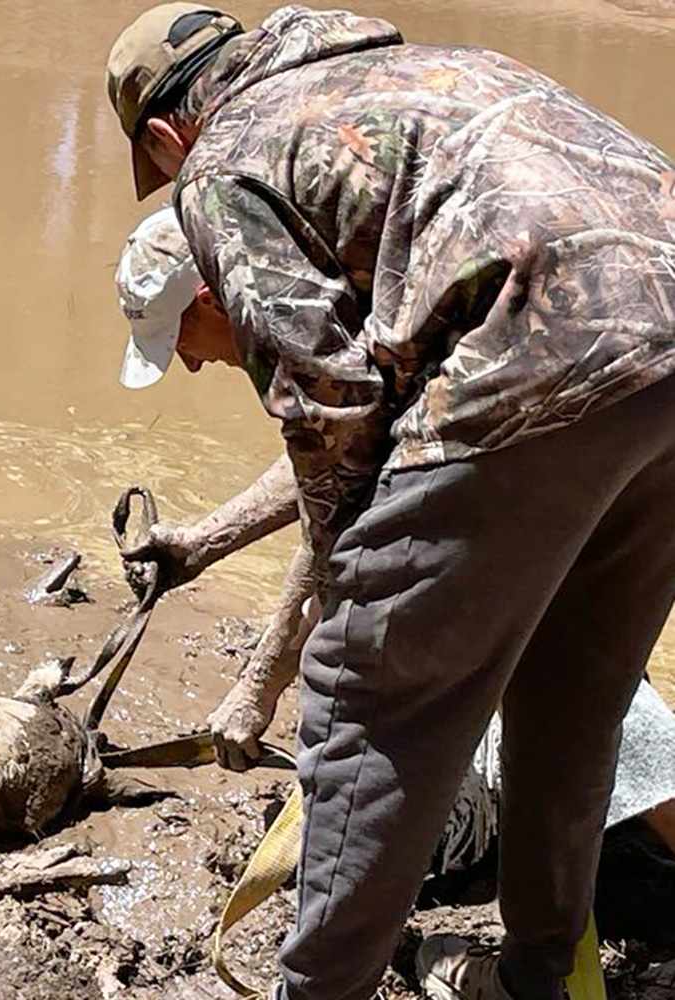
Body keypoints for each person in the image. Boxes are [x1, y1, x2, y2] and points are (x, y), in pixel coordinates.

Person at [104, 6, 675, 999]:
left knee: (364, 712)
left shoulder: (225, 155)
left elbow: (329, 403)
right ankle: (548, 980)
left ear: (165, 136)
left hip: (528, 359)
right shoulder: (430, 73)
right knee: (572, 707)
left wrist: (348, 637)